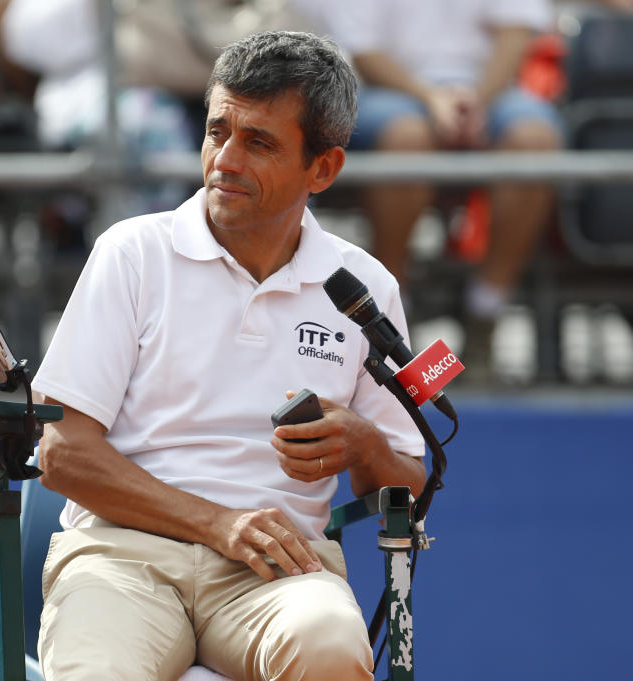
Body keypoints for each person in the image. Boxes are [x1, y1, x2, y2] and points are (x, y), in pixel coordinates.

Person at [30, 31, 426, 681]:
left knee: (331, 645)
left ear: (323, 168)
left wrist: (365, 446)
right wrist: (219, 524)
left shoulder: (367, 288)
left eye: (260, 142)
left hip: (280, 573)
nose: (225, 160)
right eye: (218, 132)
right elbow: (61, 452)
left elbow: (411, 488)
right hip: (122, 562)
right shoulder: (131, 252)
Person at [331, 0, 564, 372]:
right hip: (387, 94)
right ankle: (393, 313)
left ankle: (485, 311)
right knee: (407, 138)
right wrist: (432, 98)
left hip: (488, 93)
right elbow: (364, 52)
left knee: (535, 138)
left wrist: (475, 101)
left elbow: (515, 36)